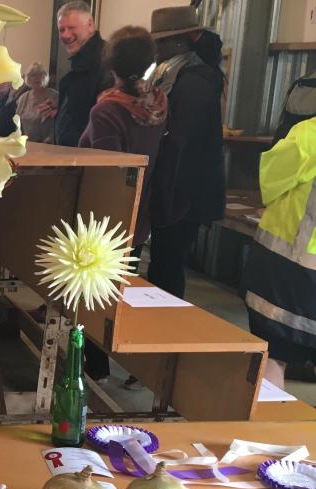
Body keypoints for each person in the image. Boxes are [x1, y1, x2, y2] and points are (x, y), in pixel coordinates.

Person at [147, 5, 225, 299]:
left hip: (184, 191)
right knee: (163, 263)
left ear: (179, 41)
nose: (155, 48)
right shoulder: (171, 73)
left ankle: (163, 331)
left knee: (166, 267)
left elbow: (178, 138)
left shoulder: (194, 79)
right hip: (177, 187)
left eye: (160, 41)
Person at [242, 118, 316, 388]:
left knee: (273, 359)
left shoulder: (309, 135)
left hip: (290, 274)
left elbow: (270, 181)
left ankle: (267, 430)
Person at [80, 27, 167, 248]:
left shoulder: (107, 111)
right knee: (128, 277)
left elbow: (107, 175)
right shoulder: (159, 103)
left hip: (103, 222)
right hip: (139, 211)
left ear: (110, 65)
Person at [50, 1, 111, 147]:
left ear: (90, 25)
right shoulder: (81, 61)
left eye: (71, 28)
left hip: (88, 160)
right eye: (61, 29)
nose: (65, 35)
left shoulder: (106, 60)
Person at [16, 63, 57, 143]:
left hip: (49, 144)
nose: (37, 78)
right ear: (28, 78)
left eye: (41, 75)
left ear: (46, 77)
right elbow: (17, 123)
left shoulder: (54, 96)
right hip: (26, 143)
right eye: (33, 75)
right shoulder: (23, 98)